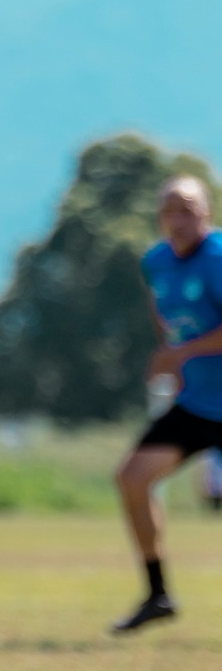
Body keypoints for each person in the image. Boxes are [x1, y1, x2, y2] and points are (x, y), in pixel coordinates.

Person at [110, 174, 222, 633]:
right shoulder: (156, 262)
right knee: (132, 479)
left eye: (189, 210)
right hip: (198, 404)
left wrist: (181, 353)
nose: (179, 220)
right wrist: (172, 361)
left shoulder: (217, 259)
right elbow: (165, 316)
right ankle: (158, 595)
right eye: (171, 211)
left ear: (207, 215)